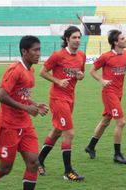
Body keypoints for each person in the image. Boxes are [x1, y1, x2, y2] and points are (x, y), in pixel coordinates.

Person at [0, 36, 48, 190]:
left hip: (25, 125)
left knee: (33, 163)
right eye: (35, 50)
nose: (39, 53)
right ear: (24, 51)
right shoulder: (15, 70)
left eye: (39, 49)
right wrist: (26, 108)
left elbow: (22, 96)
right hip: (8, 126)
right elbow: (1, 96)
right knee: (5, 168)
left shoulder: (30, 69)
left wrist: (35, 104)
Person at [38, 26, 85, 181]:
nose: (77, 40)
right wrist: (57, 81)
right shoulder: (58, 55)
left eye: (79, 37)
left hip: (71, 98)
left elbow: (81, 75)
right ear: (67, 39)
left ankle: (39, 160)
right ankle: (68, 172)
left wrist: (80, 76)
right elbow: (42, 72)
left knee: (57, 131)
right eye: (74, 37)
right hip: (58, 99)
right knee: (69, 133)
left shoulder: (81, 56)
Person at [84, 29, 126, 164]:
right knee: (121, 122)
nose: (125, 40)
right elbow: (92, 71)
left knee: (106, 121)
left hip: (119, 93)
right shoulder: (106, 56)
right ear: (115, 42)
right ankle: (117, 154)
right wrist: (102, 81)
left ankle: (90, 146)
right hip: (109, 93)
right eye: (122, 38)